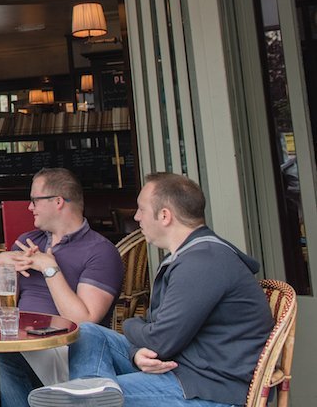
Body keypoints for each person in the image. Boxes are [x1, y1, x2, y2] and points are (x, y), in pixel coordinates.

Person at [29, 173, 274, 407]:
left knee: (84, 399)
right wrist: (136, 351)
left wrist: (129, 326)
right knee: (88, 332)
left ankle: (88, 396)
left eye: (142, 209)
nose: (136, 217)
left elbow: (160, 341)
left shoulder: (203, 263)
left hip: (208, 387)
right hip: (183, 367)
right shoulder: (190, 257)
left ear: (165, 215)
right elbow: (156, 328)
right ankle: (91, 391)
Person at [0, 168, 123, 407]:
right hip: (16, 337)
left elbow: (85, 321)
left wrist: (50, 269)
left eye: (34, 200)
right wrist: (1, 267)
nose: (30, 207)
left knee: (7, 358)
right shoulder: (28, 240)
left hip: (63, 349)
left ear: (58, 201)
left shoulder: (100, 251)